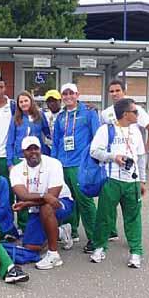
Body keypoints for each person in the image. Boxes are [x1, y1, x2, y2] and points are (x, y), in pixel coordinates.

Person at [89, 98, 147, 268]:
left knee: (133, 218)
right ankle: (99, 247)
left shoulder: (136, 131)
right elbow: (94, 151)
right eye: (135, 112)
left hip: (132, 181)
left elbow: (141, 157)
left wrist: (142, 180)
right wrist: (113, 157)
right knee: (104, 216)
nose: (137, 114)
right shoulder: (106, 130)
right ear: (125, 114)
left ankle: (136, 252)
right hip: (111, 179)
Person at [100, 79, 149, 240]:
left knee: (131, 207)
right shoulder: (106, 113)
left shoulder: (135, 109)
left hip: (131, 168)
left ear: (124, 91)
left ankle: (133, 240)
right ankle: (111, 233)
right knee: (108, 206)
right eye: (111, 91)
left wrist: (144, 149)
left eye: (117, 90)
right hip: (112, 167)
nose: (114, 94)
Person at [11, 137, 74, 270]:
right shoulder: (16, 169)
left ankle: (53, 255)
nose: (33, 152)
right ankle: (61, 232)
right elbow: (22, 194)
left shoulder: (54, 163)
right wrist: (42, 196)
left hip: (61, 202)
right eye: (29, 149)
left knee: (47, 207)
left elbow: (53, 197)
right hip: (36, 205)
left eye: (36, 148)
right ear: (23, 152)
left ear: (40, 149)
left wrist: (28, 203)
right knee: (31, 247)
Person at [51, 83, 100, 252]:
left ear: (77, 95)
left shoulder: (89, 113)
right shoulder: (61, 117)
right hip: (63, 165)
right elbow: (56, 141)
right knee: (68, 201)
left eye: (71, 93)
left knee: (85, 202)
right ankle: (71, 232)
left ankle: (95, 239)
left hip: (80, 165)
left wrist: (92, 161)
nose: (68, 96)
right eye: (65, 94)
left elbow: (97, 137)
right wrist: (54, 163)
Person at [6, 91, 50, 169]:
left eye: (26, 101)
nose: (24, 104)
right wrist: (10, 162)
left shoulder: (40, 115)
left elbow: (48, 134)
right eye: (21, 102)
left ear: (31, 101)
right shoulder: (15, 118)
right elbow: (10, 141)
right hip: (20, 157)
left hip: (37, 156)